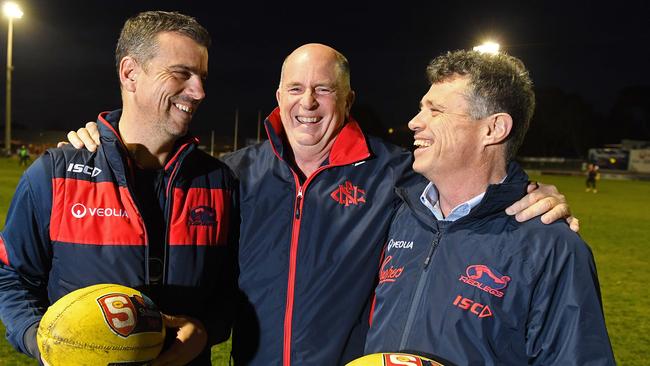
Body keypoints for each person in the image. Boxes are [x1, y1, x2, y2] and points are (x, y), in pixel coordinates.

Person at [65, 43, 576, 365]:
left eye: (324, 90)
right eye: (295, 88)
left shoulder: (395, 173)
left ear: (347, 100)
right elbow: (153, 180)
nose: (307, 103)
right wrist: (97, 139)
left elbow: (470, 189)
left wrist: (535, 197)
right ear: (279, 96)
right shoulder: (234, 173)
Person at [0, 11, 238, 366]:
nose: (199, 91)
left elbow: (229, 289)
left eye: (202, 77)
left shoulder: (219, 181)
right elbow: (11, 278)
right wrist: (47, 344)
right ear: (130, 73)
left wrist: (205, 330)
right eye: (181, 73)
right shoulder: (55, 174)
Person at [363, 50, 614, 364]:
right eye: (420, 109)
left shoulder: (551, 246)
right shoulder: (402, 214)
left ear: (493, 129)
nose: (415, 122)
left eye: (435, 110)